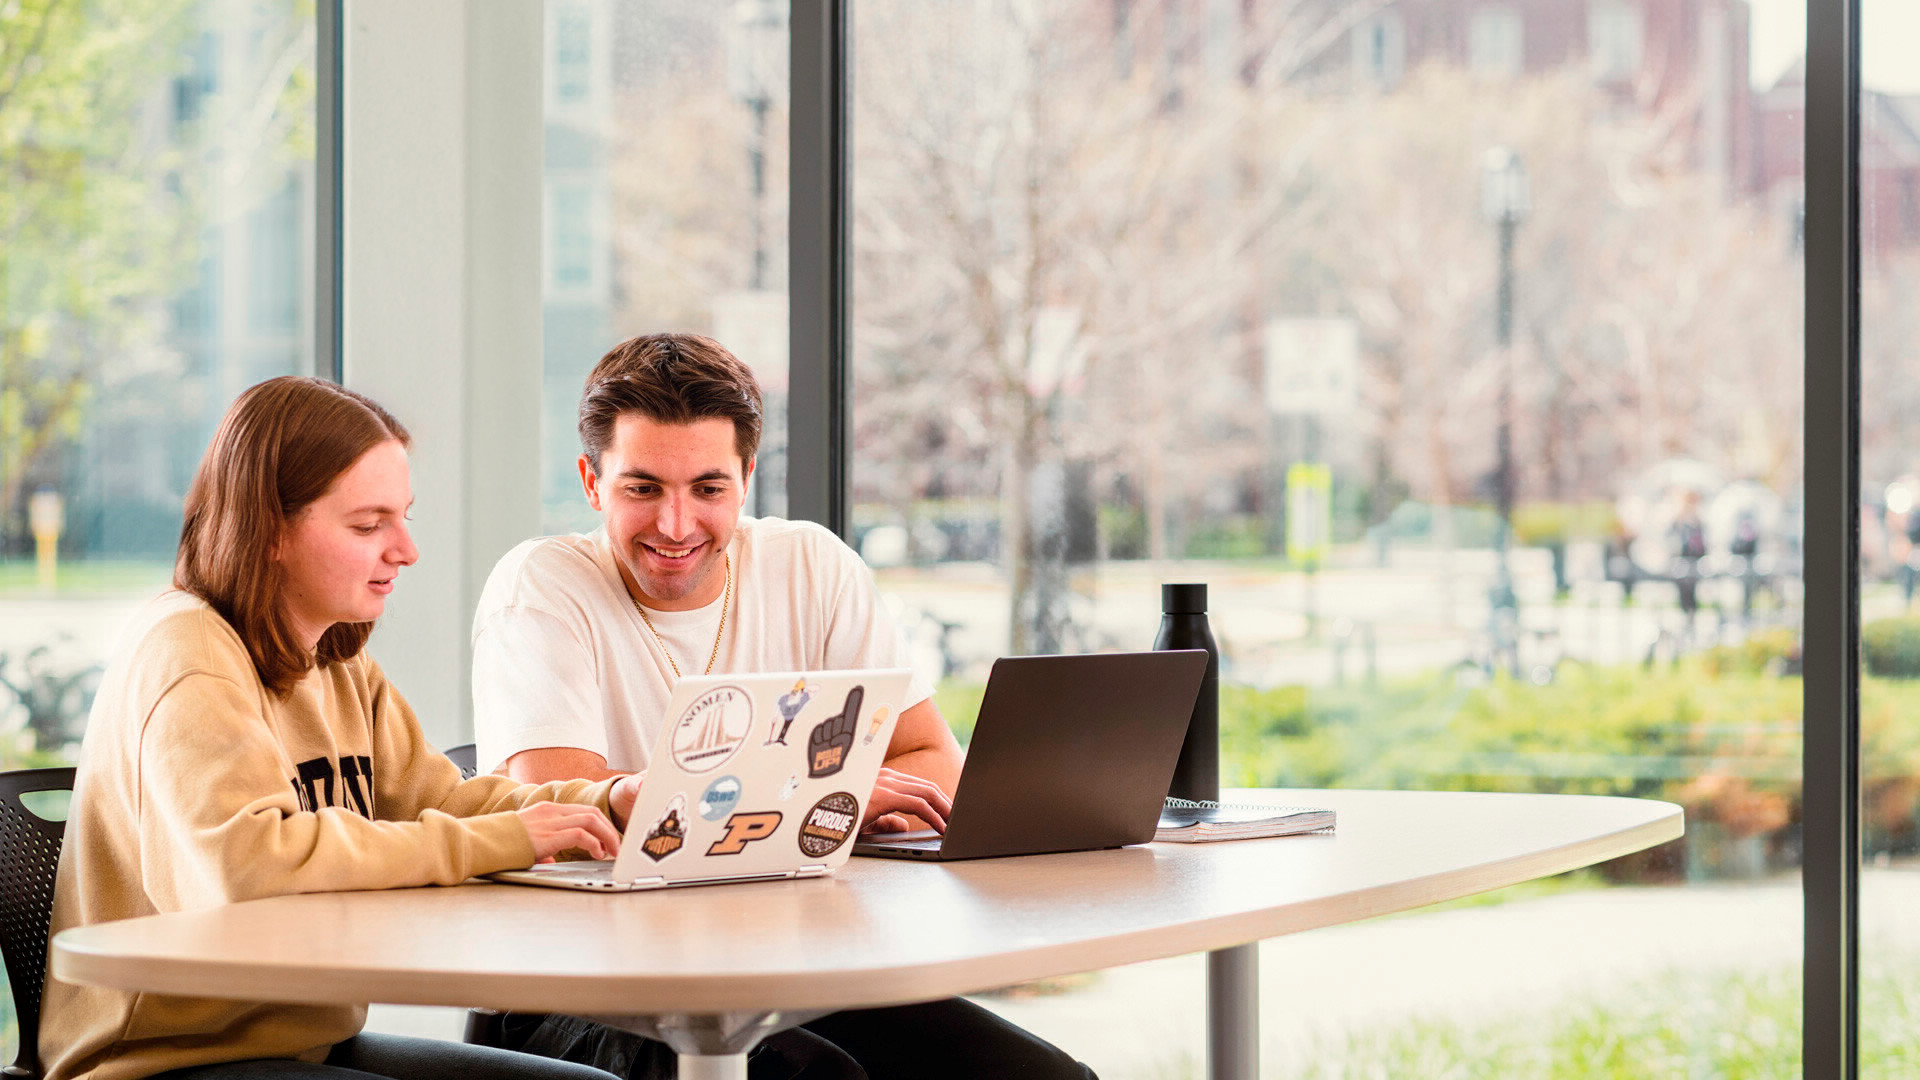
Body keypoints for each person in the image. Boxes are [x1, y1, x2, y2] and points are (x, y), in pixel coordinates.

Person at [470, 333, 1095, 1079]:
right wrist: (825, 800)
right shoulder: (542, 586)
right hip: (584, 979)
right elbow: (573, 821)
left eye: (708, 489)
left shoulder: (812, 564)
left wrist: (799, 806)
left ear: (748, 478)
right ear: (591, 480)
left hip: (791, 961)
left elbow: (933, 766)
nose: (675, 525)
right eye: (642, 488)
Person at [41, 376, 643, 1080]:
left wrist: (603, 803)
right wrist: (505, 838)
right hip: (165, 1063)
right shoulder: (188, 654)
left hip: (300, 1046)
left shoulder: (335, 655)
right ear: (268, 529)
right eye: (368, 525)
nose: (407, 550)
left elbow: (441, 802)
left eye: (404, 517)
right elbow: (249, 867)